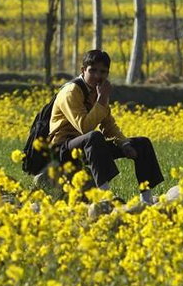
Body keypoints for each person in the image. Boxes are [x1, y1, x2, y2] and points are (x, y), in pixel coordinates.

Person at [43, 49, 164, 204]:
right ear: (83, 70)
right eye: (92, 71)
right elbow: (84, 128)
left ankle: (146, 199)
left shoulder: (98, 92)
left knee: (142, 143)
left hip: (87, 146)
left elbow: (108, 126)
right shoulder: (71, 91)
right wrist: (102, 100)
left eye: (103, 72)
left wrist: (124, 143)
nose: (97, 76)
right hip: (63, 148)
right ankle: (105, 197)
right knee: (94, 136)